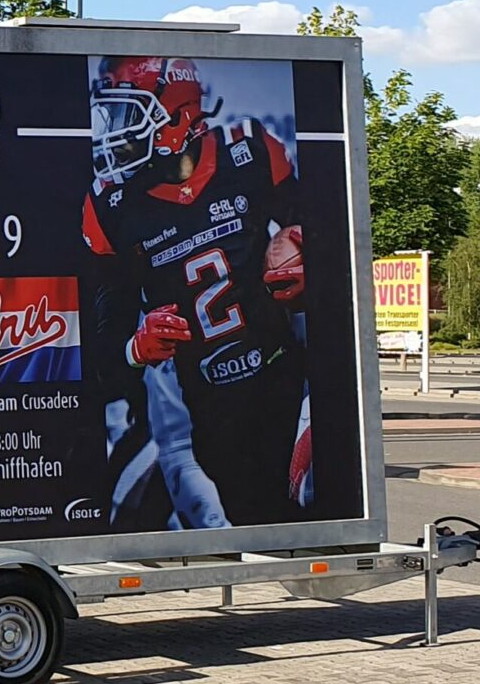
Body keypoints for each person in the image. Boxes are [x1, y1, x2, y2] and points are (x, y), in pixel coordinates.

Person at [81, 56, 310, 527]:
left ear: (177, 113)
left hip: (289, 376)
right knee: (256, 519)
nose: (117, 132)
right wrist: (135, 347)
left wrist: (309, 260)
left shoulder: (249, 153)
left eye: (130, 114)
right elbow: (103, 339)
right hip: (209, 411)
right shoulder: (112, 207)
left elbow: (322, 234)